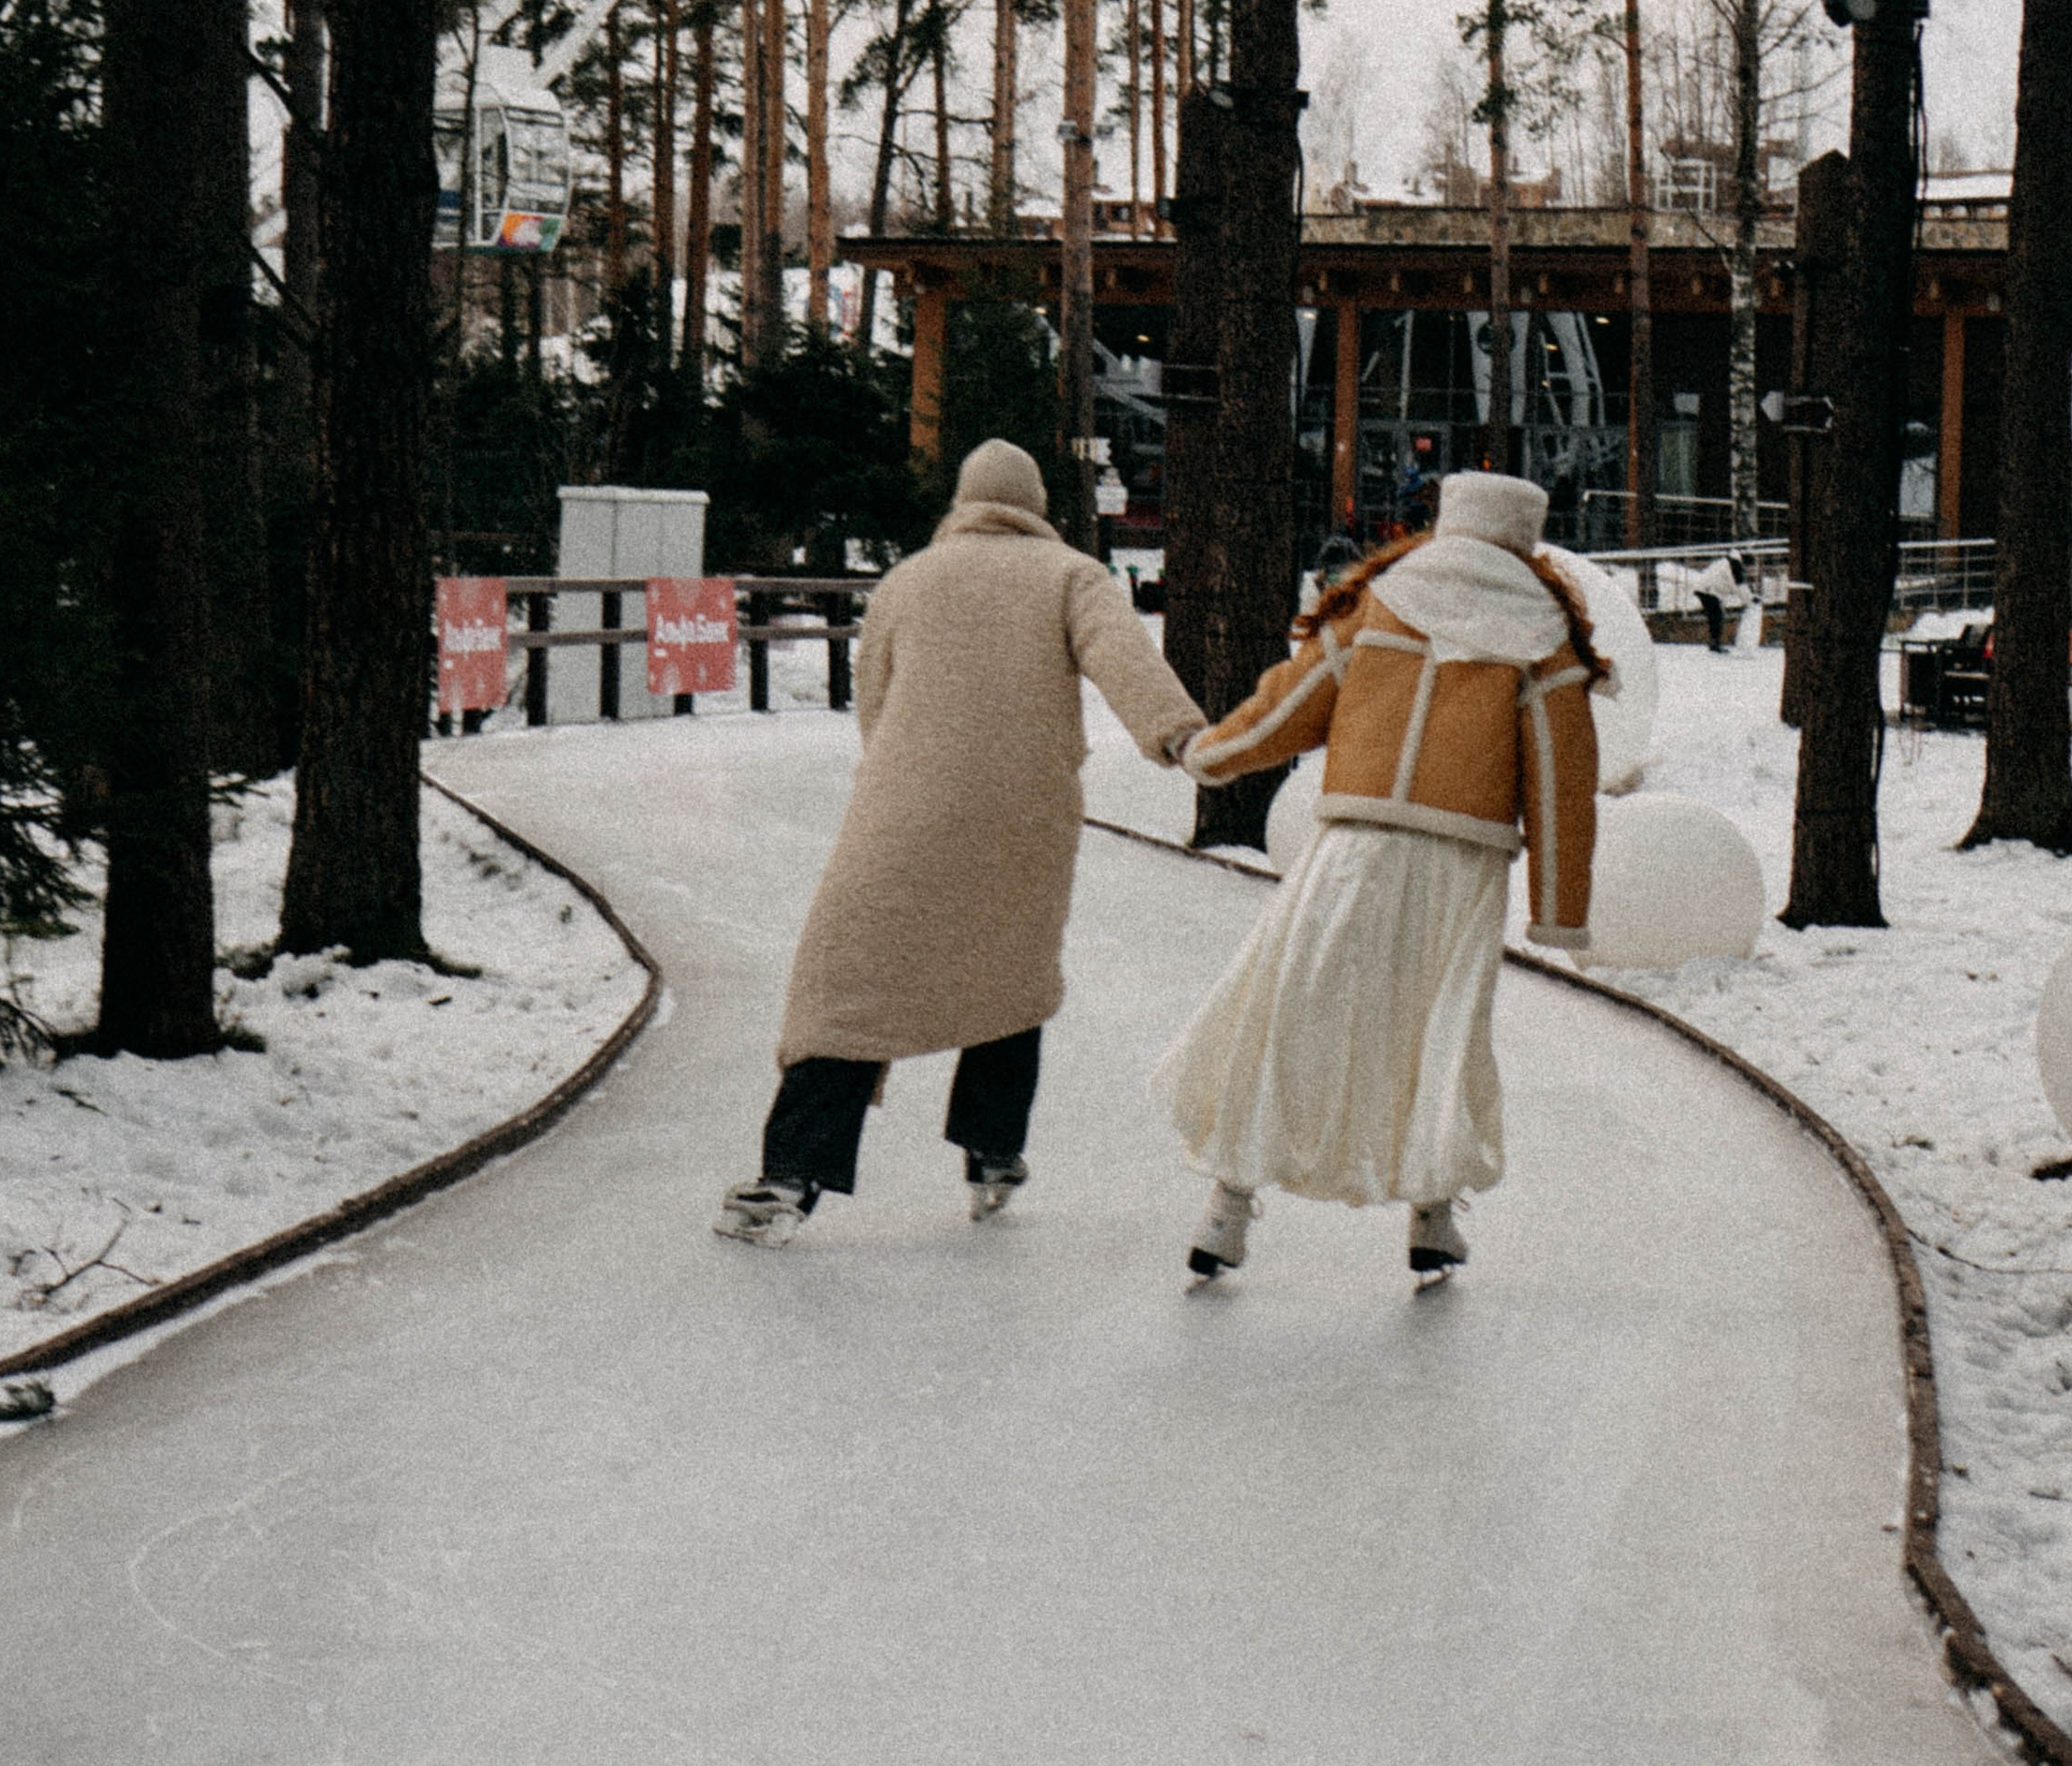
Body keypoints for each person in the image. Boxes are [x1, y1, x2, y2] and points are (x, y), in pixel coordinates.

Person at [717, 438, 1205, 1244]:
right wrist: (1179, 734)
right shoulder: (1072, 576)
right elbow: (1124, 659)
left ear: (964, 500)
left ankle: (791, 1173)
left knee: (846, 982)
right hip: (1025, 813)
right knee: (1008, 971)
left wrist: (901, 774)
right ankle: (993, 1152)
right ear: (1035, 504)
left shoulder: (908, 579)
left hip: (903, 806)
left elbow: (875, 700)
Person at [1151, 469, 1607, 1289]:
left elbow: (1286, 708)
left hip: (1353, 848)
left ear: (1446, 522)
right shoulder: (1544, 635)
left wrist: (1210, 756)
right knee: (1439, 1033)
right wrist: (1559, 911)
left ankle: (1227, 1209)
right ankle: (1431, 1218)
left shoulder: (1378, 603)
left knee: (1289, 1014)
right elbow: (1560, 784)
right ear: (1526, 537)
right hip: (1460, 865)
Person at [1692, 551, 1752, 653]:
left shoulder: (1725, 561)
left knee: (1714, 617)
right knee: (1717, 617)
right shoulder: (1735, 566)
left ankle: (1714, 643)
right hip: (1709, 590)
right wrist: (1750, 600)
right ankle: (1715, 644)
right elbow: (1739, 586)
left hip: (1703, 588)